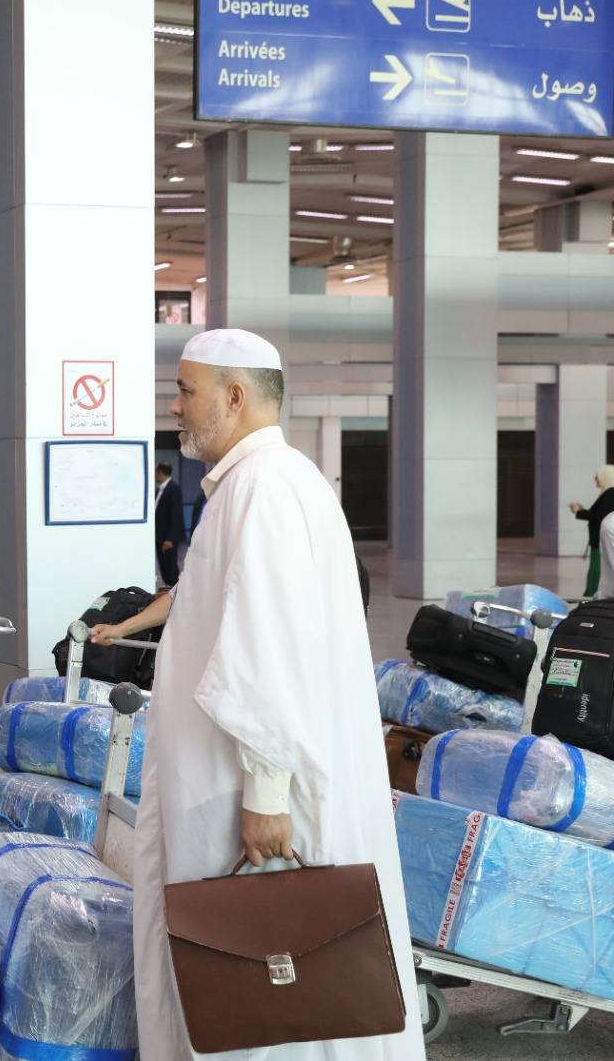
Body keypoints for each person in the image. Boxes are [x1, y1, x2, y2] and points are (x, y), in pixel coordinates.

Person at [92, 329, 421, 1059]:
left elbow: (270, 642)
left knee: (268, 980)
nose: (174, 407)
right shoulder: (263, 483)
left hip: (249, 796)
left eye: (185, 390)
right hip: (233, 780)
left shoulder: (266, 488)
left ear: (234, 396)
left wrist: (268, 790)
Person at [570, 465, 614, 598]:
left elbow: (598, 517)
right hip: (599, 543)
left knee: (596, 573)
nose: (595, 479)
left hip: (601, 545)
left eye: (598, 476)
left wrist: (579, 512)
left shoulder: (610, 494)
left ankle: (591, 602)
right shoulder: (608, 494)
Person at [153, 461, 185, 588]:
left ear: (160, 472)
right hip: (159, 536)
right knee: (164, 569)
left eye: (156, 472)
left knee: (170, 569)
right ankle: (167, 595)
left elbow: (176, 515)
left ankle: (177, 594)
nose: (155, 475)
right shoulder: (159, 490)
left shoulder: (173, 488)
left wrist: (170, 539)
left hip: (168, 538)